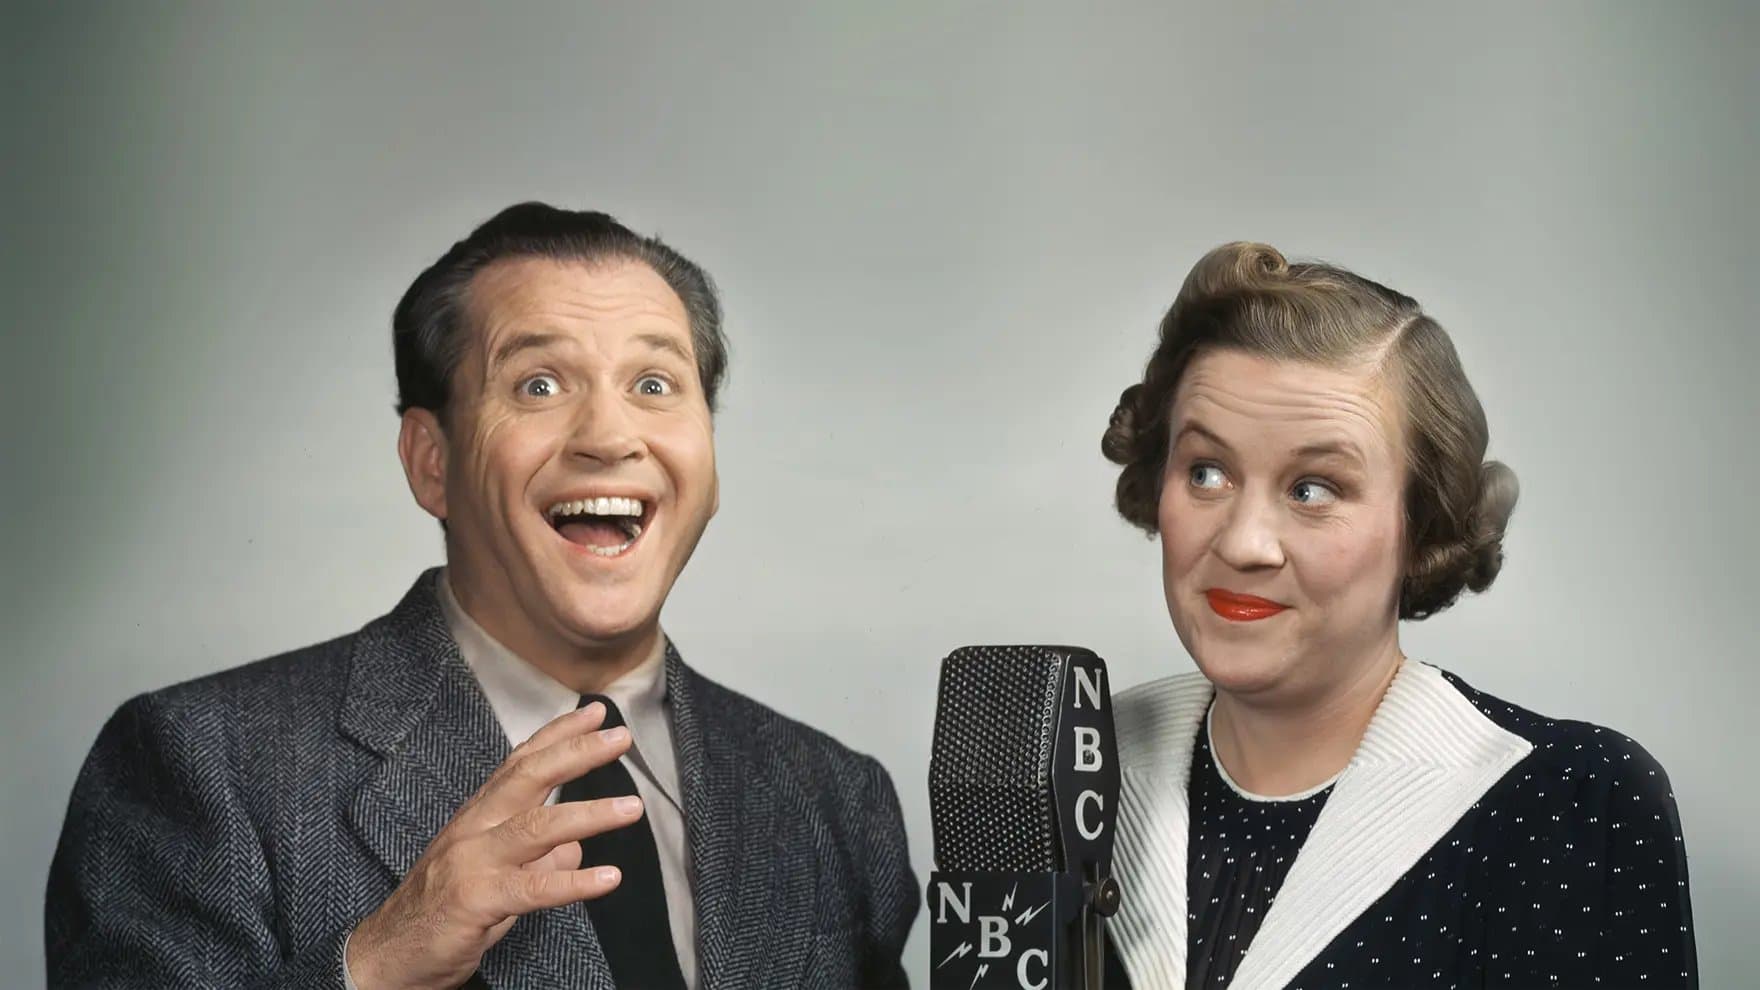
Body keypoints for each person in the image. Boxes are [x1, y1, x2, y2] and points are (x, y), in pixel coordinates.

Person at [45, 203, 919, 989]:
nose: (611, 437)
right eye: (539, 385)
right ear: (433, 463)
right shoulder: (199, 766)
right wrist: (379, 966)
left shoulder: (835, 800)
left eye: (655, 386)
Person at [1097, 243, 1697, 988]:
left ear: (1423, 530)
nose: (1245, 543)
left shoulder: (1572, 804)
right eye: (1207, 473)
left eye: (1313, 488)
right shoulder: (1060, 770)